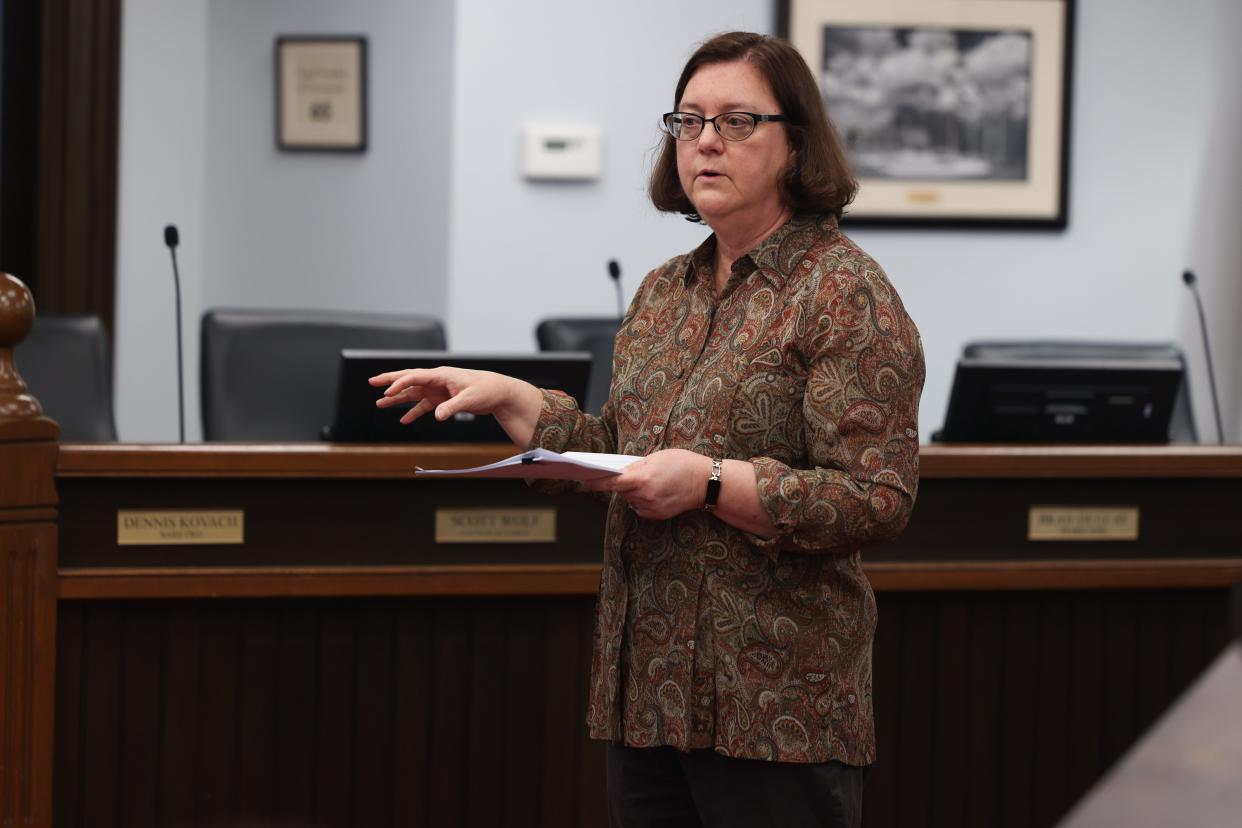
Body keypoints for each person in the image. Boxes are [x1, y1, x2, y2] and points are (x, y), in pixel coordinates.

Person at [370, 31, 923, 828]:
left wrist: (706, 483)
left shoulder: (844, 293)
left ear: (795, 142)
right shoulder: (667, 292)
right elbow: (624, 455)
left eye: (736, 122)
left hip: (772, 704)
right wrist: (514, 399)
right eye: (688, 120)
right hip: (648, 690)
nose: (704, 141)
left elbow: (877, 497)